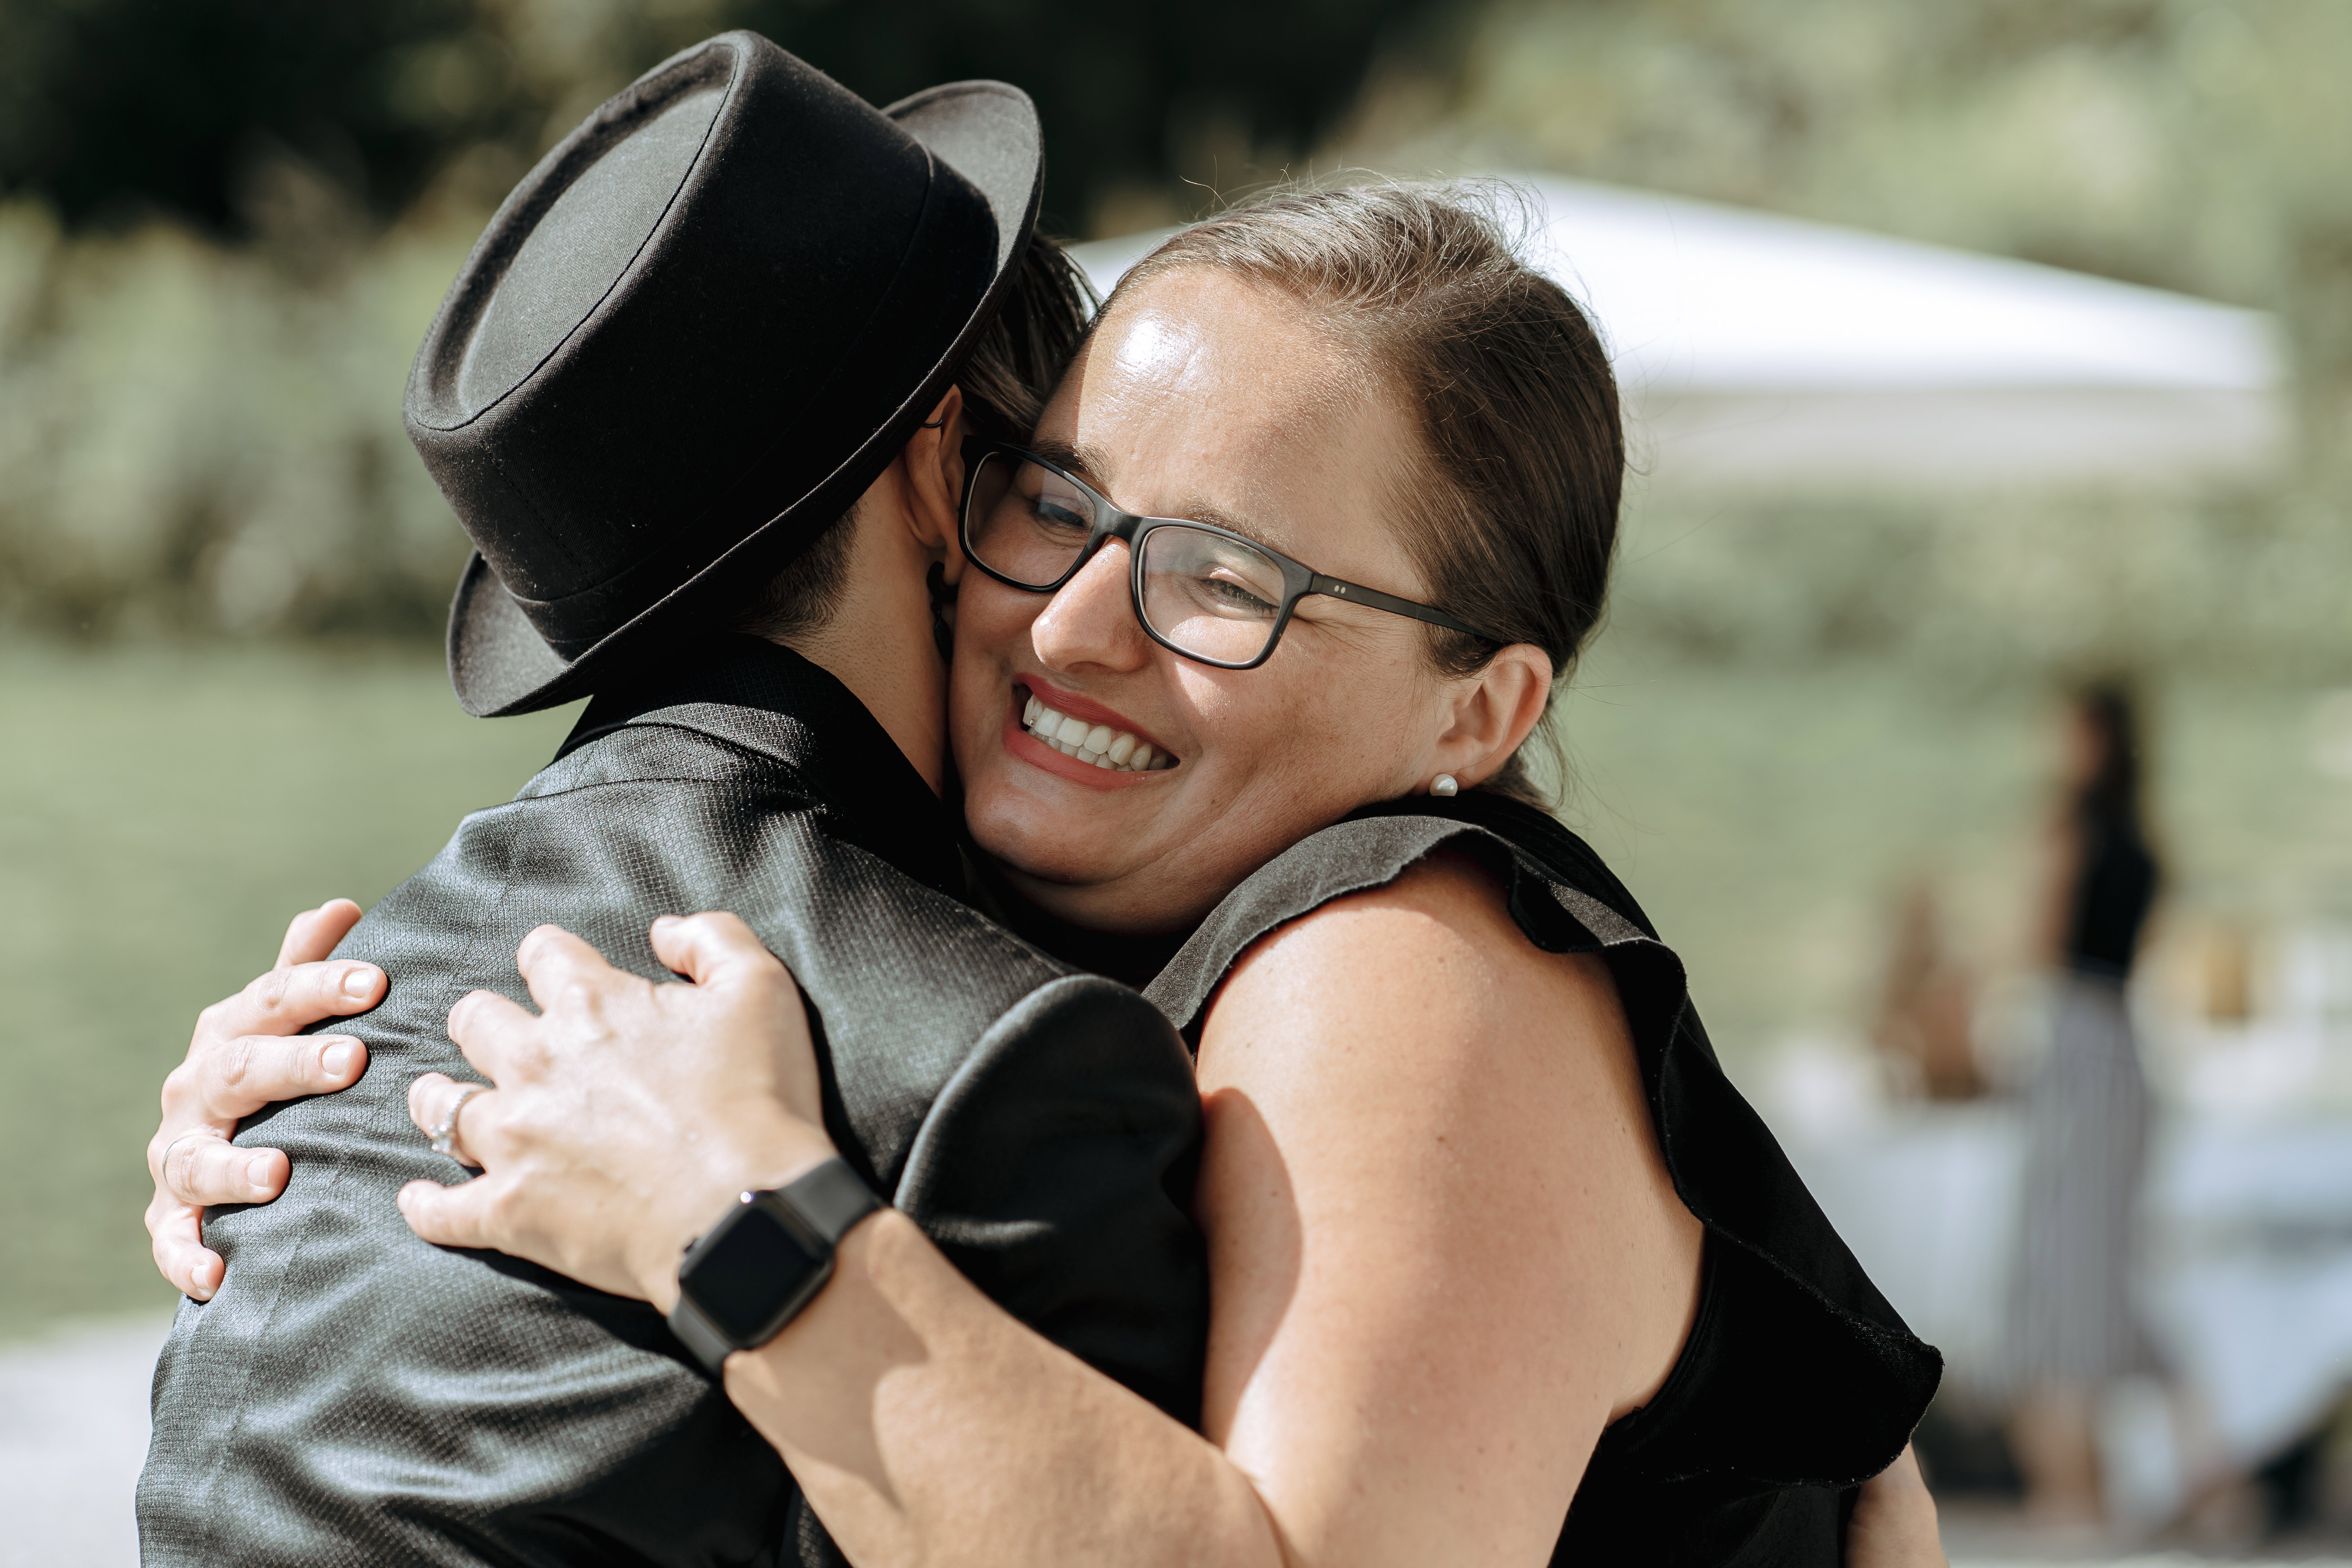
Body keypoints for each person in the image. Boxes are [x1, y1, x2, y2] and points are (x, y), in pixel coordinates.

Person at [148, 181, 1952, 1564]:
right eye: (1060, 504)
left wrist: (727, 1214)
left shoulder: (1405, 958)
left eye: (1232, 583)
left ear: (1483, 705)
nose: (1077, 628)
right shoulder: (1054, 937)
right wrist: (337, 1125)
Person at [136, 33, 1208, 1567]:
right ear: (935, 469)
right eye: (1050, 489)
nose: (1094, 586)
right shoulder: (994, 1060)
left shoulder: (311, 1042)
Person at [2006, 680, 2163, 1527]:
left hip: (2074, 1042)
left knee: (2056, 1258)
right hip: (2126, 1048)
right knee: (2101, 1257)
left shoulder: (2071, 828)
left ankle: (2069, 1485)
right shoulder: (2144, 838)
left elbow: (2038, 939)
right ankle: (2088, 1480)